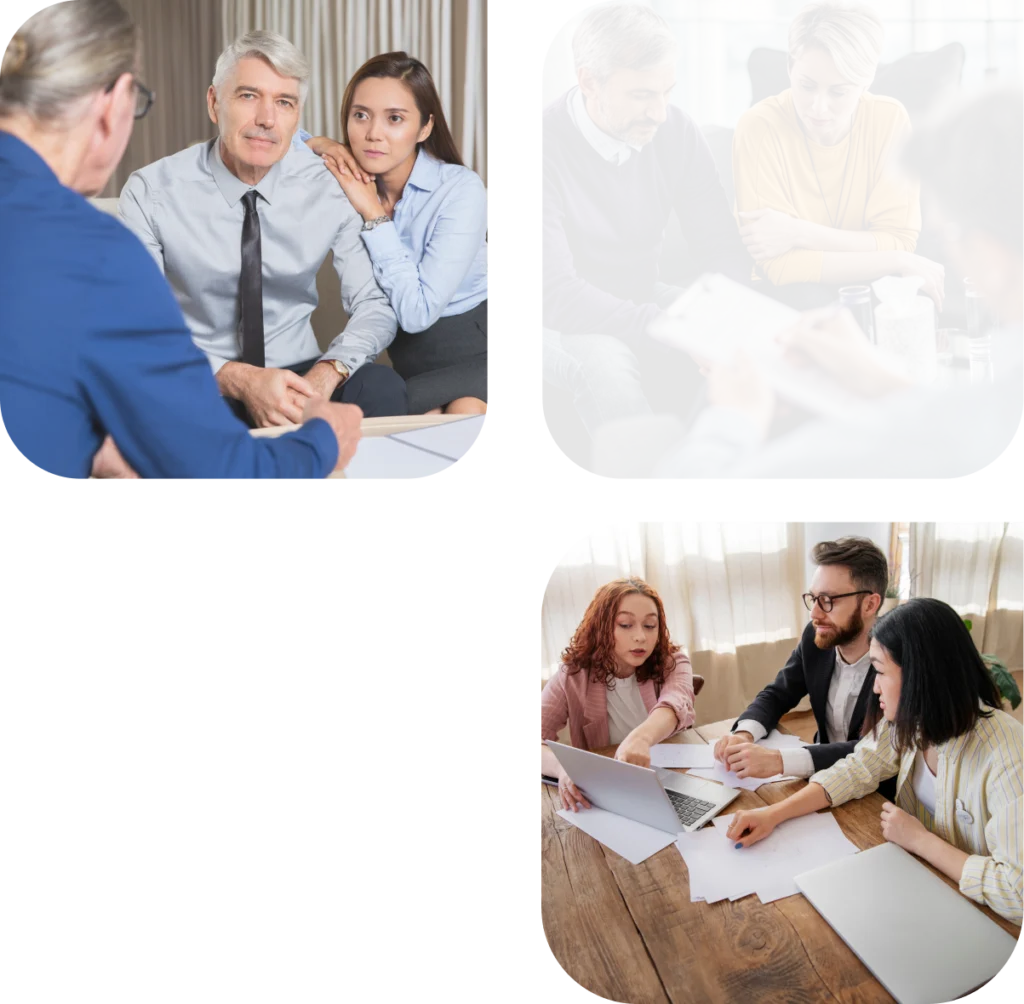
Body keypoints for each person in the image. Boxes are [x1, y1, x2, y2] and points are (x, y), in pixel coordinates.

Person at [0, 0, 360, 480]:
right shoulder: (99, 251)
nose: (266, 118)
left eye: (284, 103)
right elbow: (225, 469)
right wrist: (323, 441)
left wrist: (87, 450)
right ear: (114, 104)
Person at [652, 81, 1024, 480]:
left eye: (948, 235)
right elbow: (967, 422)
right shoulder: (992, 402)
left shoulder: (968, 426)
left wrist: (735, 417)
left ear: (992, 258)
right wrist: (880, 378)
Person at [118, 30, 409, 431]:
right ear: (214, 103)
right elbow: (136, 322)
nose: (266, 120)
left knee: (382, 388)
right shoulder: (151, 191)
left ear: (296, 117)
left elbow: (375, 303)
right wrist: (240, 380)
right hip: (202, 376)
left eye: (284, 103)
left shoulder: (330, 185)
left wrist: (324, 376)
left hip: (301, 376)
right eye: (248, 96)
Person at [724, 597, 1024, 926]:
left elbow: (1017, 893)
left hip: (986, 920)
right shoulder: (914, 720)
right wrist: (772, 814)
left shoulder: (1008, 754)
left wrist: (921, 841)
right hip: (922, 887)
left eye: (880, 671)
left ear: (919, 676)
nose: (875, 687)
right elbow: (857, 769)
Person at [539, 3, 755, 441]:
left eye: (667, 92)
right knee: (605, 365)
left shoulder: (676, 131)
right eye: (641, 95)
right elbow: (559, 295)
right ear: (588, 82)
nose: (659, 112)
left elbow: (719, 248)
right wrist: (674, 332)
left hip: (637, 294)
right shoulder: (543, 149)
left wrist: (725, 316)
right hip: (548, 318)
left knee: (745, 338)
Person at [295, 53, 487, 417]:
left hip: (477, 349)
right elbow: (271, 141)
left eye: (395, 118)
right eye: (360, 115)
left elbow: (417, 313)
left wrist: (373, 214)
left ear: (425, 127)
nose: (373, 134)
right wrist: (323, 145)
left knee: (458, 417)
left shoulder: (461, 189)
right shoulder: (348, 178)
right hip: (411, 361)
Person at [732, 0, 944, 314]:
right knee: (806, 299)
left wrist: (798, 232)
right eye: (807, 86)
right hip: (789, 288)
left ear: (866, 81)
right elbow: (780, 265)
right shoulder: (758, 128)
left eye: (838, 91)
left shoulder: (889, 120)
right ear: (790, 67)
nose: (818, 107)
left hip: (868, 272)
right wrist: (895, 257)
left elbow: (899, 239)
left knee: (909, 297)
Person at [713, 537, 897, 802]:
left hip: (876, 795)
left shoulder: (896, 660)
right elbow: (777, 694)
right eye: (813, 598)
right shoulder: (816, 637)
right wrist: (744, 735)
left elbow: (876, 750)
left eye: (828, 600)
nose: (814, 613)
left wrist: (779, 761)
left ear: (870, 604)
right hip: (818, 781)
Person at [539, 578, 696, 813]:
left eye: (650, 625)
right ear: (601, 627)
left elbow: (675, 703)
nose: (640, 636)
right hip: (608, 794)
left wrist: (641, 739)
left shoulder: (673, 662)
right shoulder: (572, 675)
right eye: (625, 625)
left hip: (674, 782)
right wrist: (564, 769)